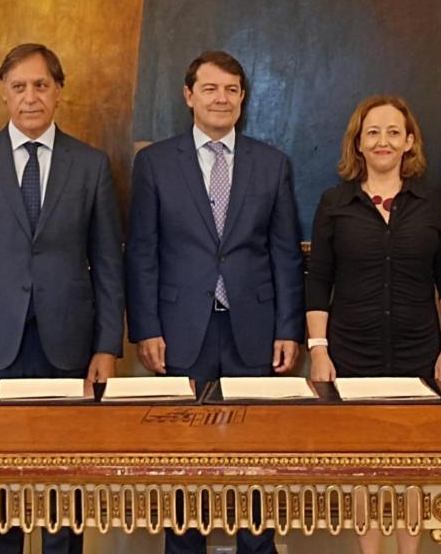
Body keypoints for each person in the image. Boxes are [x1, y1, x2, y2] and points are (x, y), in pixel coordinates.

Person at [0, 43, 125, 554]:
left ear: (58, 93)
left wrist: (107, 347)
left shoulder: (89, 165)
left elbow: (109, 263)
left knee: (63, 492)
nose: (30, 97)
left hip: (67, 346)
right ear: (4, 94)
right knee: (1, 493)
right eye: (19, 87)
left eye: (40, 85)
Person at [126, 50, 305, 554]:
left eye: (231, 89)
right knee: (183, 466)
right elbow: (142, 252)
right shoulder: (155, 163)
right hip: (180, 332)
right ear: (189, 96)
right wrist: (145, 329)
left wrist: (288, 328)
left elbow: (286, 253)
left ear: (243, 99)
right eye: (210, 88)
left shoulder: (271, 164)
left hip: (255, 329)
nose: (221, 98)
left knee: (254, 463)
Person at [307, 95, 441, 554]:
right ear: (358, 142)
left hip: (420, 352)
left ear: (409, 141)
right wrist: (319, 349)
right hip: (351, 353)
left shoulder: (432, 204)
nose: (383, 140)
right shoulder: (334, 203)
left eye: (394, 131)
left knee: (411, 465)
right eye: (372, 132)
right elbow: (319, 282)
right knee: (362, 467)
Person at [133, 0, 298, 153]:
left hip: (236, 122)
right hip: (169, 118)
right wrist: (143, 132)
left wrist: (265, 136)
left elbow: (279, 54)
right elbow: (150, 45)